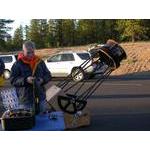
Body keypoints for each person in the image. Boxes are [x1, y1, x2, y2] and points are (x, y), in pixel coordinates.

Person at [10, 41, 51, 113]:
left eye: (32, 52)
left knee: (43, 120)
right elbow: (12, 80)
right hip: (25, 100)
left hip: (41, 97)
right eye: (28, 52)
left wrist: (43, 80)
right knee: (27, 122)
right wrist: (26, 80)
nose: (31, 54)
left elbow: (48, 75)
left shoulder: (40, 62)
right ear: (23, 51)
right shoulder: (17, 64)